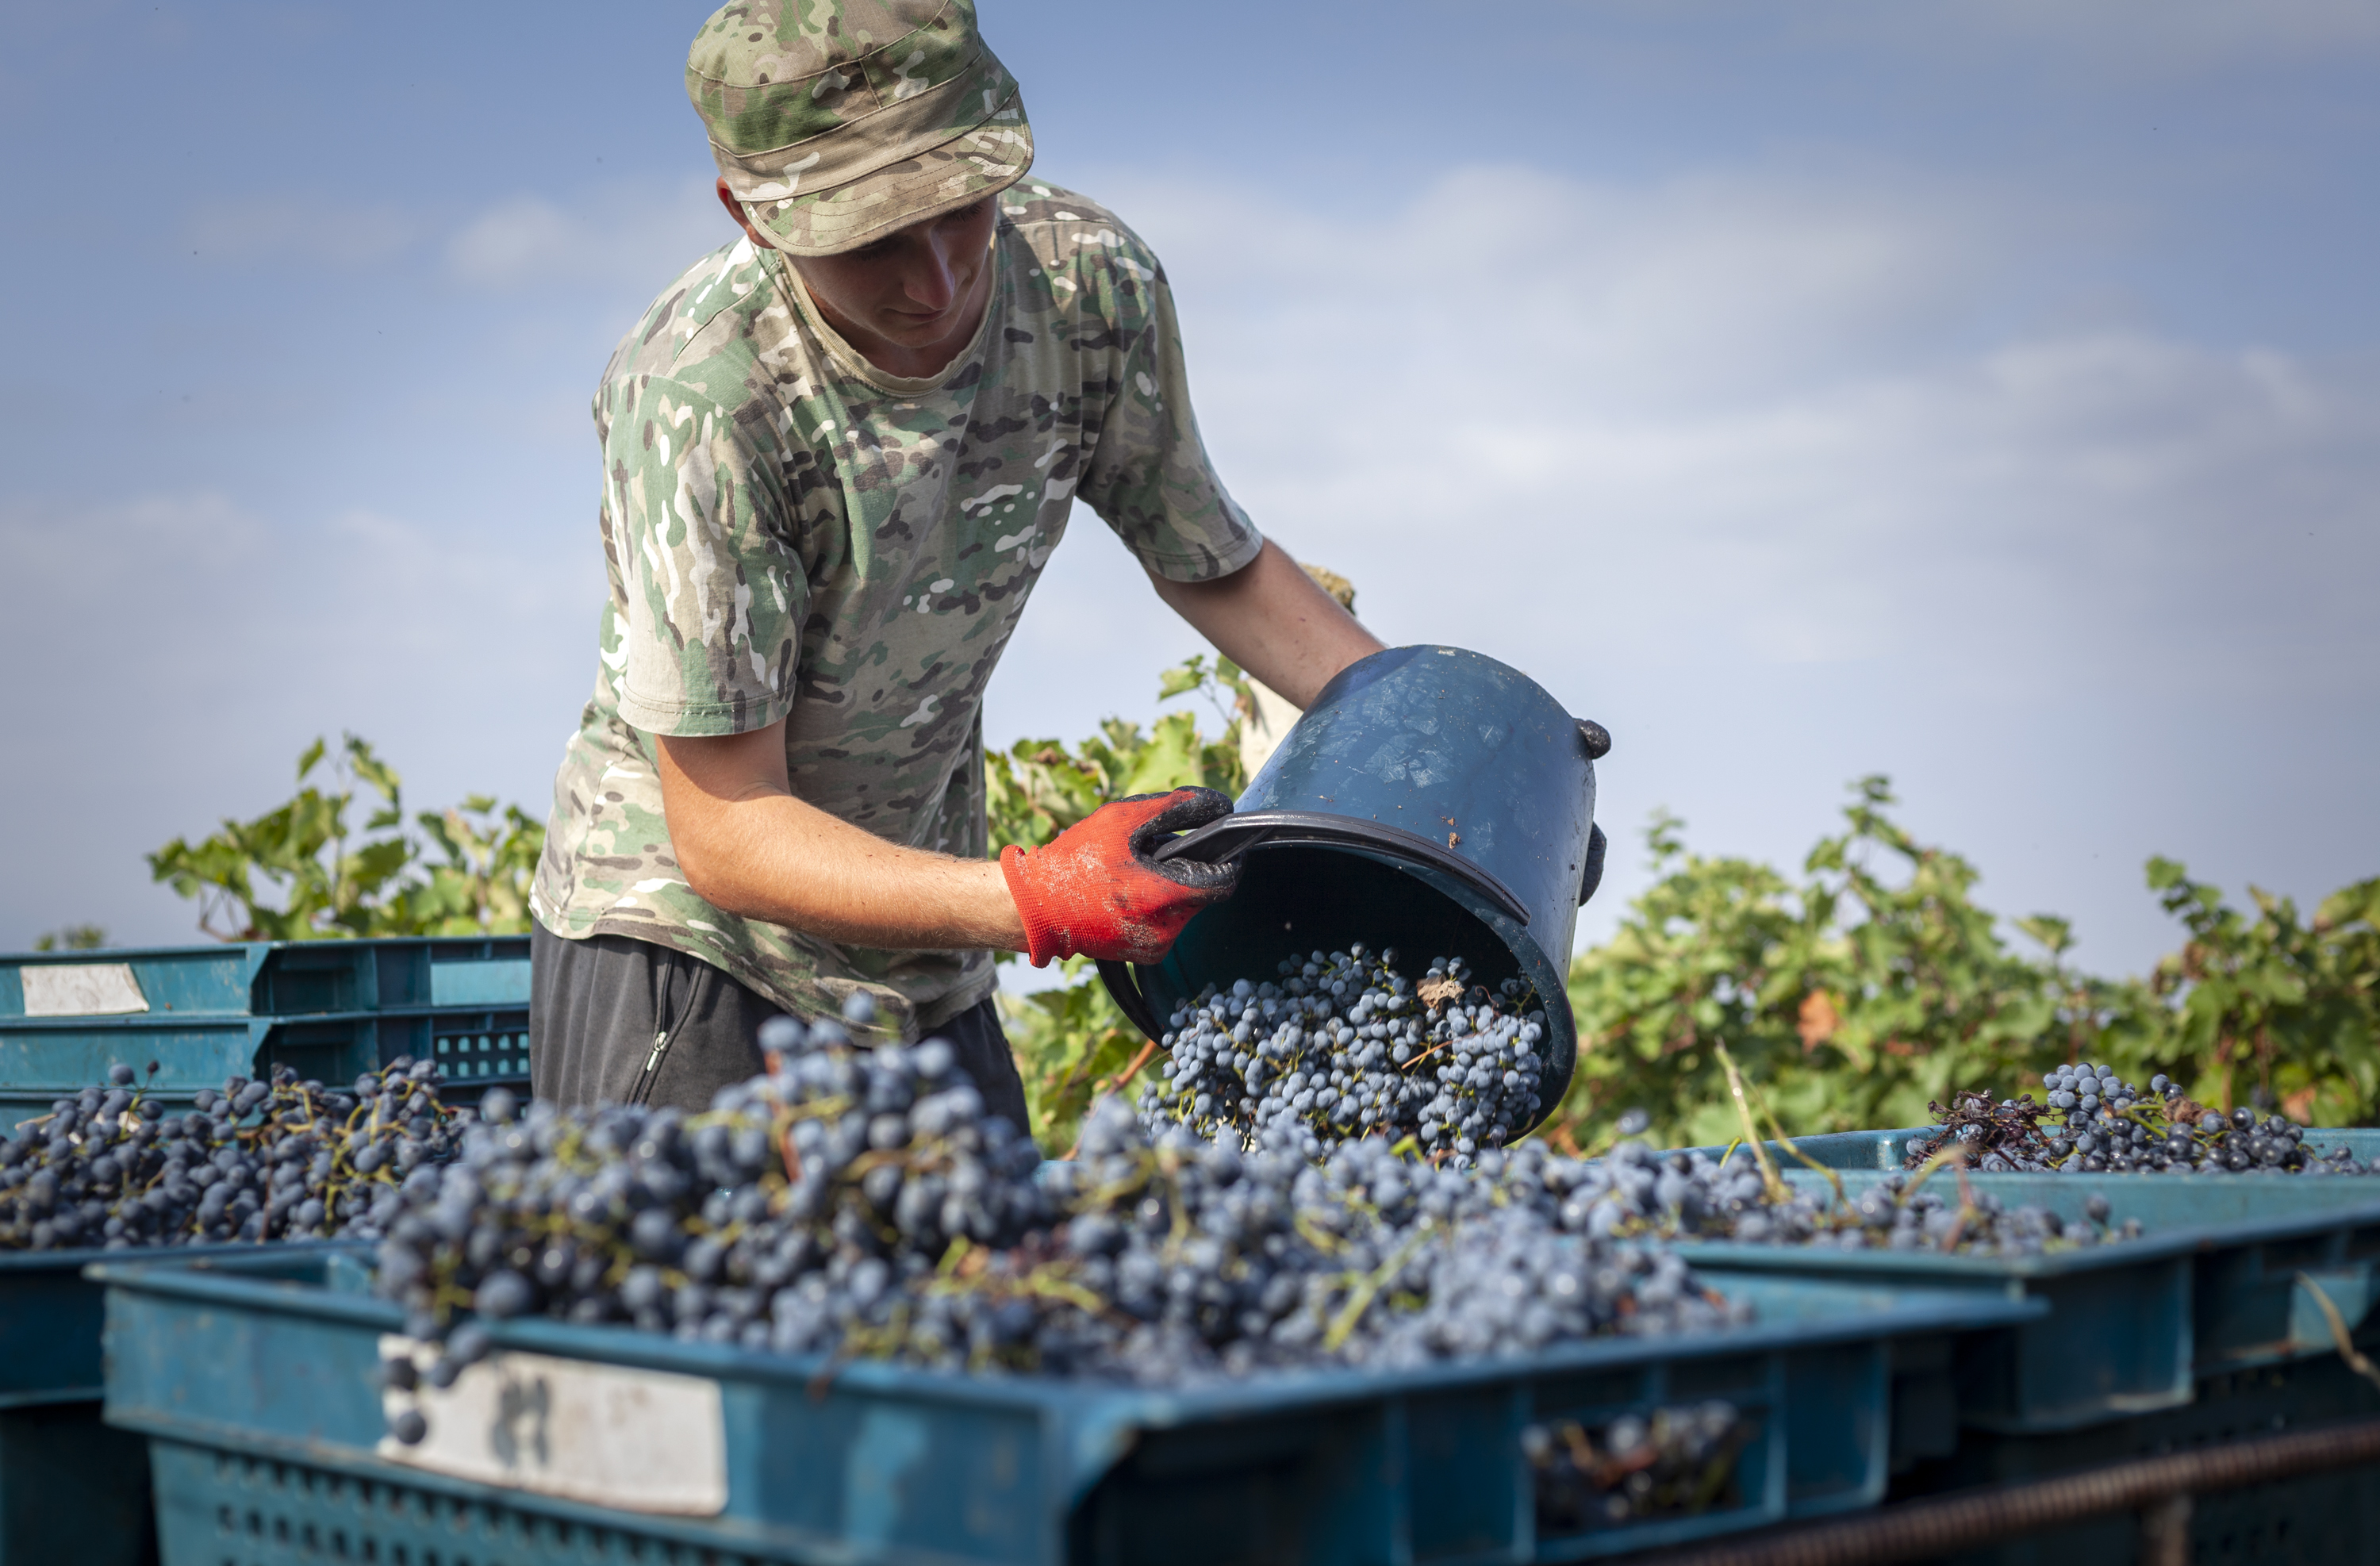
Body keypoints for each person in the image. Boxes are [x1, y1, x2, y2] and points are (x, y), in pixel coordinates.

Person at [528, 0, 1384, 1134]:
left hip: (927, 939)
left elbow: (1210, 561)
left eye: (960, 208)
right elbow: (729, 829)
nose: (933, 279)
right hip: (691, 950)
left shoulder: (1088, 284)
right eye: (872, 240)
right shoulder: (705, 397)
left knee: (992, 1296)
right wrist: (1040, 897)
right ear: (754, 216)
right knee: (702, 1302)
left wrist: (1429, 733)